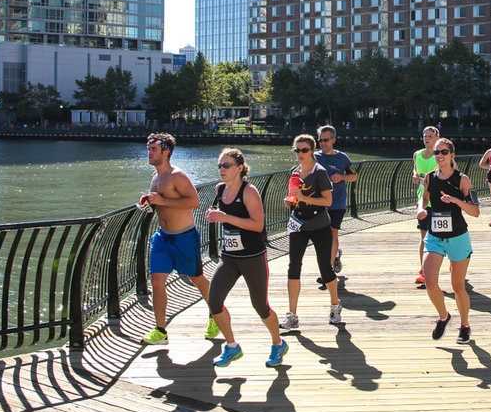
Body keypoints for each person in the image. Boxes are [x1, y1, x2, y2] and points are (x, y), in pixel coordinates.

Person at [204, 149, 287, 368]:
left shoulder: (249, 192)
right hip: (229, 257)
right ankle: (231, 346)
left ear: (240, 168)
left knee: (261, 306)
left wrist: (225, 217)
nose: (222, 170)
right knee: (214, 301)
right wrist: (215, 215)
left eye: (227, 165)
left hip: (252, 257)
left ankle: (278, 343)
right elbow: (224, 216)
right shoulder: (219, 189)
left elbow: (258, 225)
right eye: (220, 166)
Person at [140, 133, 217, 345]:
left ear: (166, 152)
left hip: (184, 237)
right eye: (148, 149)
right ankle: (160, 330)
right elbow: (162, 203)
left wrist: (162, 200)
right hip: (162, 238)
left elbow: (194, 202)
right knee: (156, 281)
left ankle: (215, 314)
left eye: (153, 149)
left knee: (197, 280)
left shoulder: (177, 175)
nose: (149, 153)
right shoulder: (155, 177)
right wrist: (150, 203)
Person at [416, 138, 478, 342]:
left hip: (458, 237)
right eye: (436, 152)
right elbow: (424, 198)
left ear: (452, 155)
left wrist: (456, 200)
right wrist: (421, 209)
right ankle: (443, 316)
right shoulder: (430, 178)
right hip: (434, 236)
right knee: (430, 281)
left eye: (444, 152)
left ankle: (465, 325)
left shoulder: (462, 180)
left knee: (458, 286)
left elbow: (475, 211)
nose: (439, 156)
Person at [279, 134, 342, 329]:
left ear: (312, 151)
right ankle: (292, 315)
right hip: (298, 223)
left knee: (325, 268)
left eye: (304, 150)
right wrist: (292, 200)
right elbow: (295, 194)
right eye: (297, 150)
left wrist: (305, 198)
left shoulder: (320, 172)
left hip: (319, 224)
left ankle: (335, 304)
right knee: (293, 266)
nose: (300, 153)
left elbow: (328, 202)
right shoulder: (295, 171)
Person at [314, 125, 357, 283]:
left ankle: (328, 272)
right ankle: (335, 255)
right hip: (318, 204)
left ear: (333, 139)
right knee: (321, 238)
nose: (323, 143)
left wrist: (341, 177)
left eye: (326, 140)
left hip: (337, 203)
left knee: (332, 234)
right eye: (320, 140)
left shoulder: (343, 158)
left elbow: (354, 176)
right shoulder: (314, 157)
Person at [411, 126, 440, 288]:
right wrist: (415, 177)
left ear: (437, 138)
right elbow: (416, 172)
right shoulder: (417, 155)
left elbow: (453, 172)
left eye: (430, 135)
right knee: (424, 237)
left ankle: (453, 263)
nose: (427, 138)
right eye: (425, 135)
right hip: (423, 201)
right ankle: (424, 272)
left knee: (443, 237)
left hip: (439, 202)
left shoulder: (441, 155)